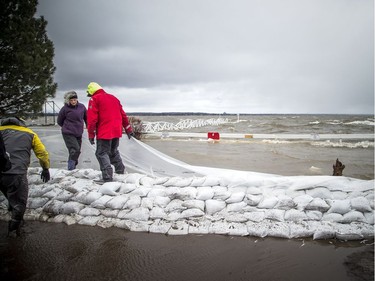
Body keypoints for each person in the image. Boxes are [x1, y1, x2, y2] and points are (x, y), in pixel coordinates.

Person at [0, 117, 50, 236]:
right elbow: (42, 152)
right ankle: (14, 229)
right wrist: (45, 168)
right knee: (19, 202)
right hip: (16, 172)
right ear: (21, 124)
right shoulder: (29, 133)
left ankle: (12, 210)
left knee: (10, 195)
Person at [86, 82, 134, 182]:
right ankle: (120, 171)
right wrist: (128, 129)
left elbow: (92, 119)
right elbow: (123, 115)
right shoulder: (113, 98)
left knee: (101, 153)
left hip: (104, 132)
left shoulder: (94, 99)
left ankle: (107, 177)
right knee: (113, 152)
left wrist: (91, 134)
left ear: (91, 92)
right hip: (116, 131)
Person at [57, 91, 87, 170]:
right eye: (71, 100)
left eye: (75, 99)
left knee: (77, 151)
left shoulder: (82, 107)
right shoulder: (65, 108)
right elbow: (59, 121)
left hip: (78, 133)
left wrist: (89, 127)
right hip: (68, 133)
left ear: (77, 99)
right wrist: (67, 127)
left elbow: (86, 118)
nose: (73, 101)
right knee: (74, 150)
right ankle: (70, 168)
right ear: (68, 101)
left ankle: (73, 166)